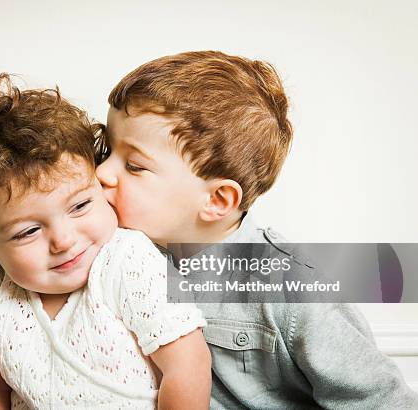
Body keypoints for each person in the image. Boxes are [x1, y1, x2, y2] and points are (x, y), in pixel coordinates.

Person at [96, 50, 418, 409]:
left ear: (218, 200)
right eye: (107, 151)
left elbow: (384, 402)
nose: (102, 173)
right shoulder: (118, 253)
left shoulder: (295, 291)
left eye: (135, 166)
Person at [0, 73, 211, 409]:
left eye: (79, 206)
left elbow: (188, 366)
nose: (63, 241)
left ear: (98, 182)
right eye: (27, 232)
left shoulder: (127, 260)